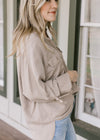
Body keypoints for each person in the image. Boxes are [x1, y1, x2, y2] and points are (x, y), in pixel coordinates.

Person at [8, 0, 79, 140]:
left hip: (62, 114)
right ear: (32, 4)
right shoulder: (32, 41)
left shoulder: (42, 36)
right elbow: (34, 90)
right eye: (47, 0)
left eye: (55, 0)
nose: (55, 5)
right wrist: (69, 77)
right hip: (52, 122)